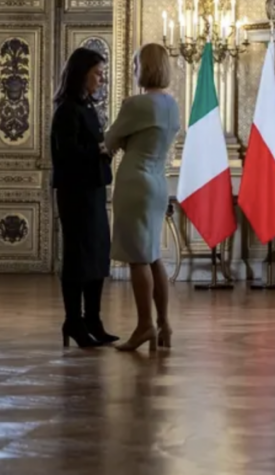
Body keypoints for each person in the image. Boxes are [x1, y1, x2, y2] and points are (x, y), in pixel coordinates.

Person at [104, 43, 181, 351]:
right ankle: (164, 324)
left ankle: (144, 325)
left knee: (137, 258)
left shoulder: (136, 104)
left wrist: (120, 140)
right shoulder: (172, 105)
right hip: (158, 182)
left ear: (144, 67)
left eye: (136, 65)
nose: (134, 70)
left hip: (135, 181)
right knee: (153, 255)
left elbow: (110, 140)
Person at [50, 48, 117, 348]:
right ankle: (73, 321)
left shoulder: (87, 106)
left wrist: (102, 150)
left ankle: (93, 320)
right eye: (97, 73)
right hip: (75, 193)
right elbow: (68, 154)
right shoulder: (67, 110)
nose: (101, 79)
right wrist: (100, 150)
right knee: (78, 257)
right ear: (82, 74)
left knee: (97, 254)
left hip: (93, 190)